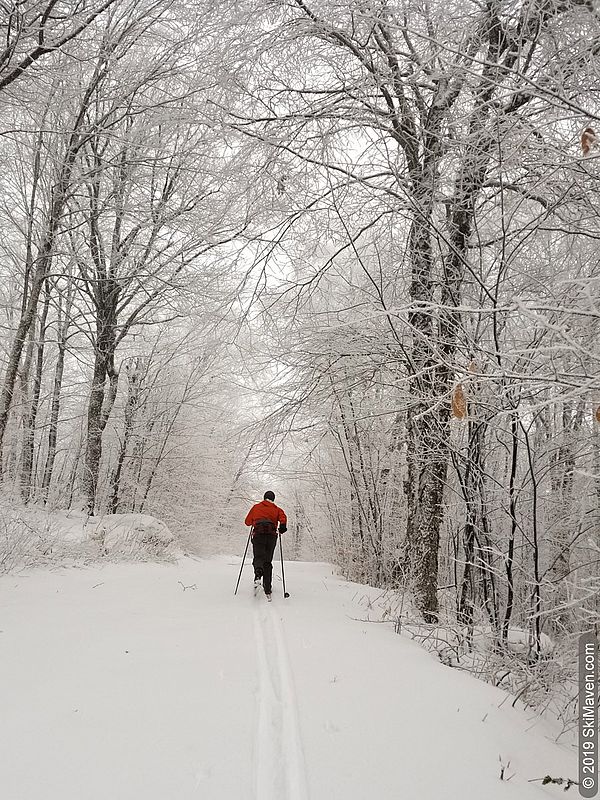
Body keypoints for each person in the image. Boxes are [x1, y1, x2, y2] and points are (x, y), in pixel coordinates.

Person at [244, 491, 287, 598]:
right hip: (271, 536)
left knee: (258, 557)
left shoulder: (256, 507)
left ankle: (258, 573)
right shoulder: (277, 509)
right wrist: (282, 526)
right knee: (267, 560)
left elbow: (247, 522)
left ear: (264, 498)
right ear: (273, 499)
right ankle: (267, 587)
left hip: (258, 535)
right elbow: (283, 518)